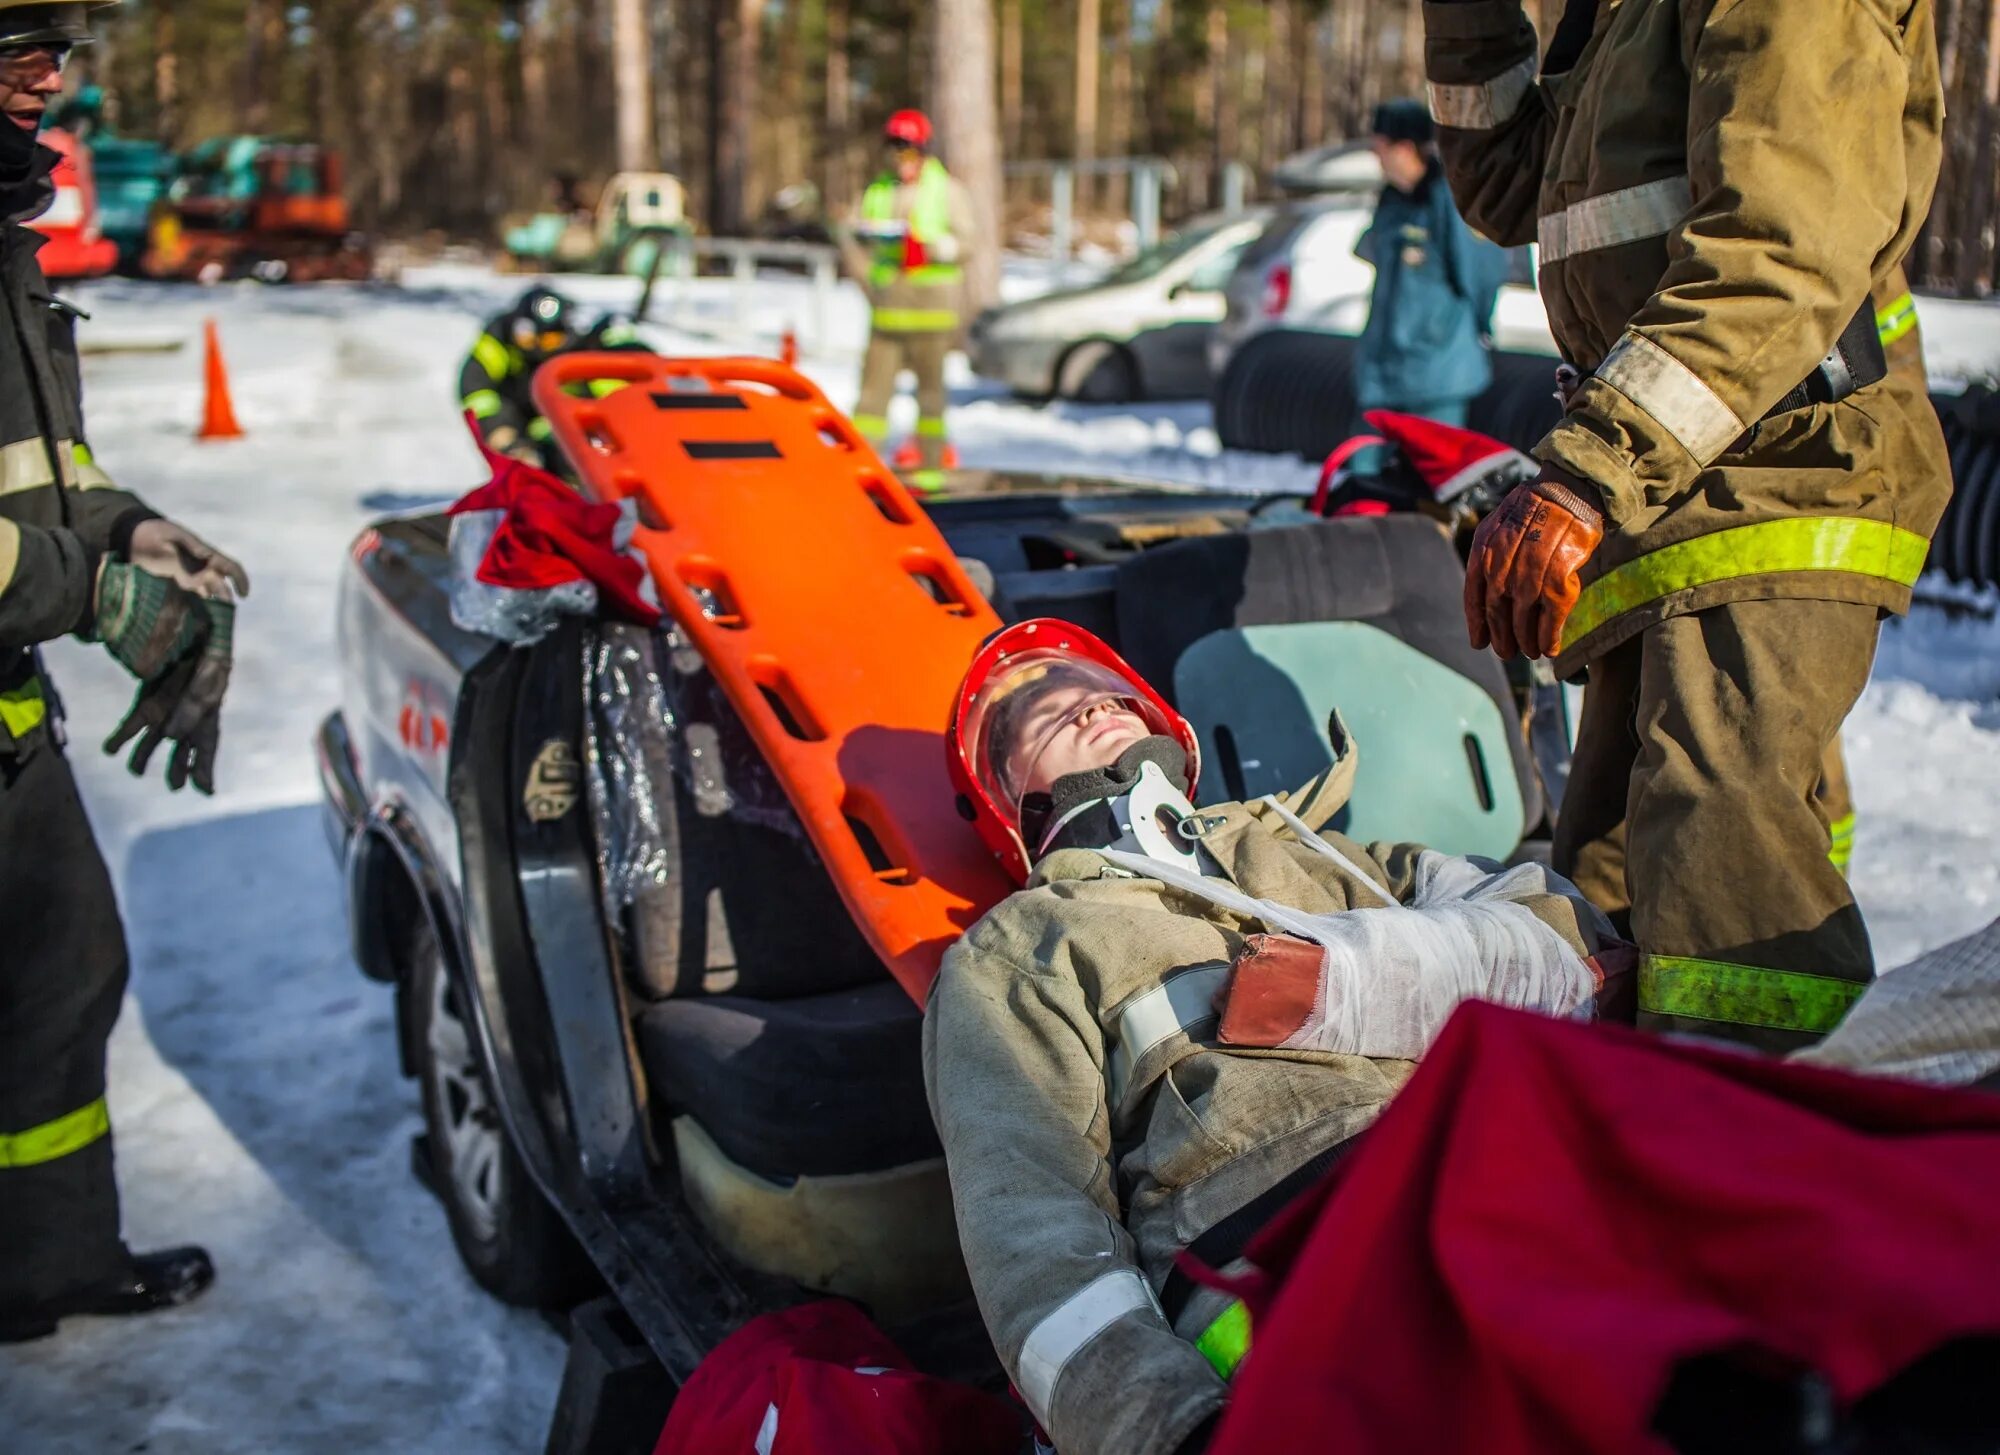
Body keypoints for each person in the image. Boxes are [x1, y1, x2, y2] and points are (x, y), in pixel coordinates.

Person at [924, 619, 1618, 1455]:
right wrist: (1172, 1429)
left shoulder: (1319, 849)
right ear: (1011, 803)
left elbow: (1562, 927)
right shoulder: (1020, 947)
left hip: (1513, 1181)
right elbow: (1037, 1245)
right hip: (1302, 1283)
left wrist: (1355, 977)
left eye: (1105, 690)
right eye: (1038, 713)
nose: (1087, 701)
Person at [1426, 0, 1950, 1047]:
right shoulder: (1619, 16)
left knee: (1727, 896)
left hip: (1777, 483)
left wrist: (1585, 473)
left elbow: (1779, 252)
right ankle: (1638, 1156)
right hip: (1668, 498)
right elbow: (1502, 187)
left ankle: (1779, 1164)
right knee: (1608, 897)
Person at [1, 0, 246, 1342]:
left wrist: (125, 529)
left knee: (58, 975)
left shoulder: (5, 248)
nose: (49, 72)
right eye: (13, 46)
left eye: (55, 44)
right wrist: (88, 590)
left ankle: (45, 1260)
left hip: (8, 718)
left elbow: (45, 471)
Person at [1353, 98, 1509, 436]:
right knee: (1365, 471)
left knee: (1432, 475)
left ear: (1405, 147)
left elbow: (1482, 273)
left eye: (1380, 146)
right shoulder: (1392, 201)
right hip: (1384, 371)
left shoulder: (1449, 200)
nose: (1374, 156)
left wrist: (1479, 328)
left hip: (1437, 371)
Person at [843, 109, 972, 493]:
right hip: (886, 314)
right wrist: (868, 276)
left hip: (930, 313)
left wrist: (932, 250)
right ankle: (861, 472)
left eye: (909, 150)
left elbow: (968, 242)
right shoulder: (878, 191)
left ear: (923, 150)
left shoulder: (947, 191)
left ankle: (931, 472)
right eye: (896, 150)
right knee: (871, 404)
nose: (902, 159)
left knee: (930, 402)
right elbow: (854, 237)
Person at [457, 286, 646, 473]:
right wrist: (501, 433)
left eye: (551, 340)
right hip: (522, 428)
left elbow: (622, 390)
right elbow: (476, 388)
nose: (540, 348)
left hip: (579, 435)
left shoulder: (588, 343)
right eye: (529, 339)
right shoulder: (499, 336)